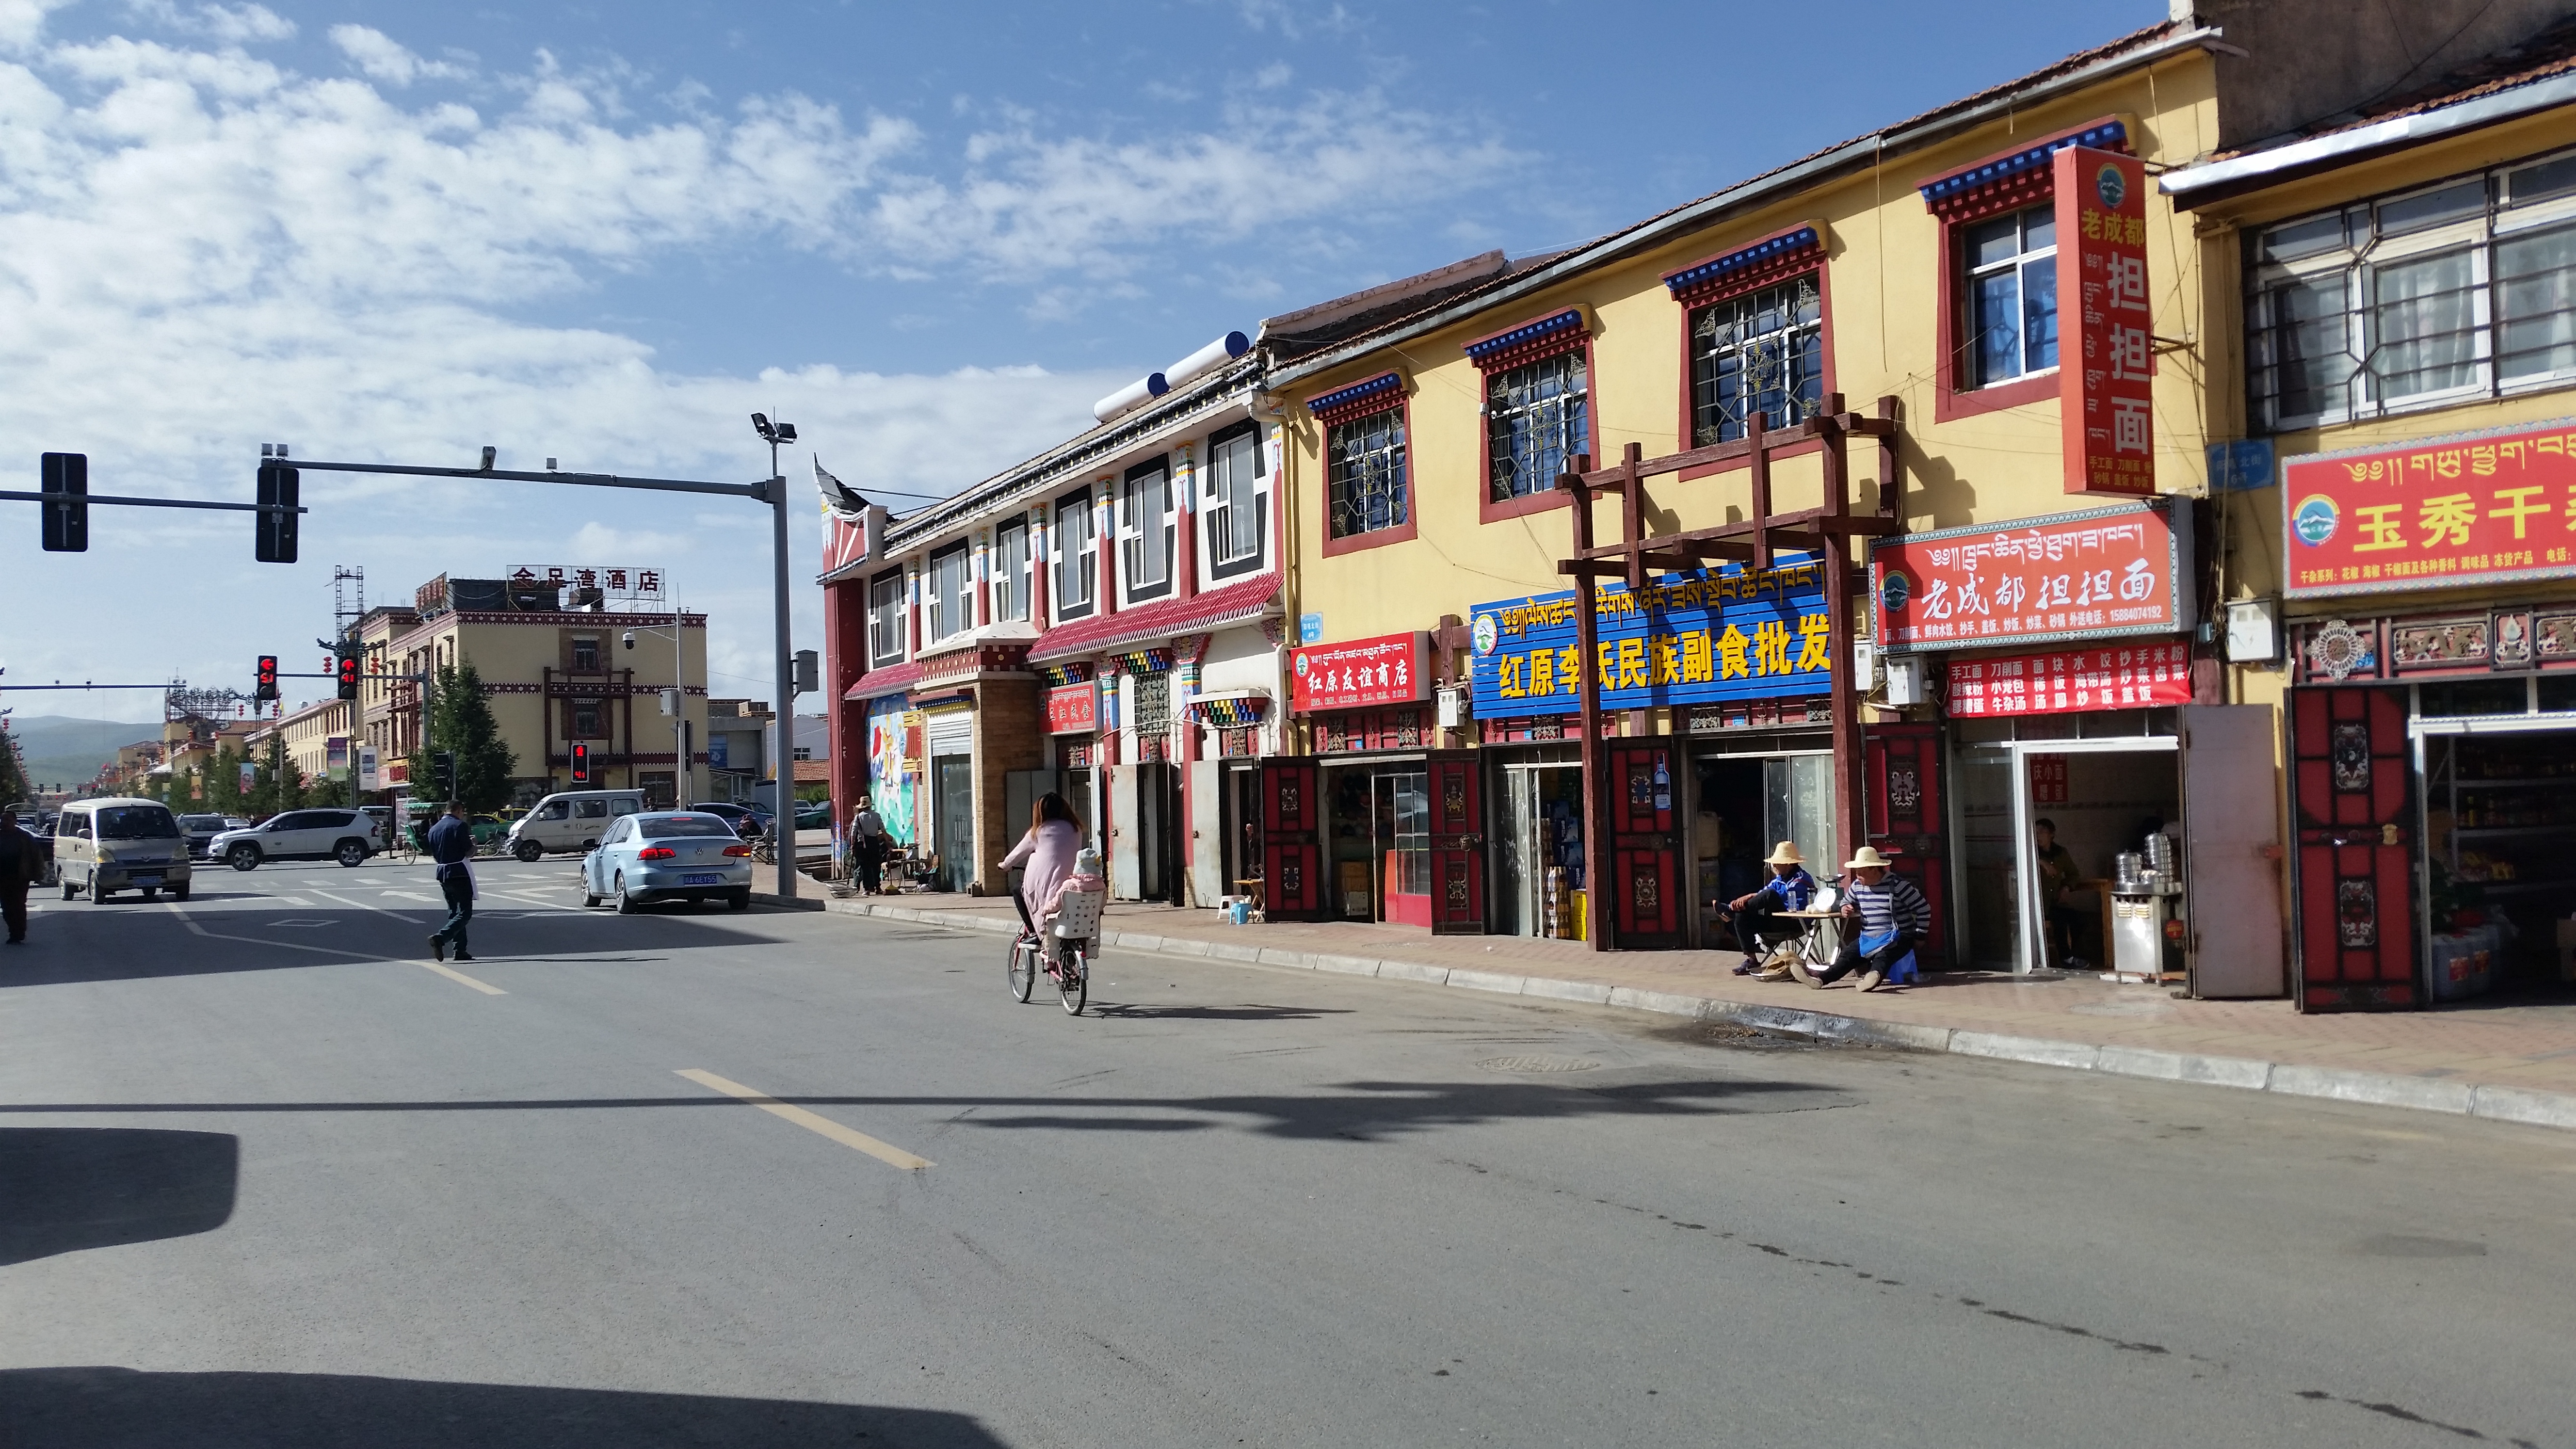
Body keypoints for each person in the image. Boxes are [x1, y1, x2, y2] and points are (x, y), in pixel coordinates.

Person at [1801, 846, 1931, 993]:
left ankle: (1873, 977)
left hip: (1899, 936)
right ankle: (1821, 978)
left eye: (1861, 873)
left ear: (1874, 870)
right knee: (1848, 955)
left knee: (1884, 956)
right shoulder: (1857, 886)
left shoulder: (1898, 886)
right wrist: (1846, 907)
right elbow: (1846, 901)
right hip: (1869, 937)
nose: (1858, 876)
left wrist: (1920, 936)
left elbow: (1923, 908)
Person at [1723, 840, 1816, 975]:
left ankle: (1730, 911)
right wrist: (1749, 899)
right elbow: (1762, 894)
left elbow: (1777, 895)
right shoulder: (1779, 879)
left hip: (1795, 922)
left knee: (1770, 895)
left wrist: (1750, 897)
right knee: (1741, 915)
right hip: (1775, 921)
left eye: (1778, 863)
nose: (1774, 866)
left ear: (1788, 864)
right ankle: (1752, 959)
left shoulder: (1802, 879)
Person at [998, 792, 1082, 932]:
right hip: (1071, 884)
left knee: (1017, 890)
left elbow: (1016, 855)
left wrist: (1004, 866)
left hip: (1048, 886)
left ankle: (1033, 932)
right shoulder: (1076, 830)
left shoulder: (1038, 832)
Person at [2032, 817, 2091, 969]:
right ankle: (2066, 958)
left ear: (2052, 835)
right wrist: (2041, 862)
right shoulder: (2030, 853)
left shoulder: (2061, 853)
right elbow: (2012, 862)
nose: (2038, 836)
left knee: (2078, 918)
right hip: (2038, 904)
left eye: (2042, 832)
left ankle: (2077, 956)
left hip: (2055, 902)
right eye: (2036, 832)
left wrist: (2066, 887)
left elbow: (2073, 874)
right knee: (2060, 921)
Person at [425, 800, 478, 963]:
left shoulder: (434, 829)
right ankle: (441, 938)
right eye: (462, 812)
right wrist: (474, 844)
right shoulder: (459, 826)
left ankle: (460, 950)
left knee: (454, 911)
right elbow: (468, 852)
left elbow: (433, 854)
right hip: (459, 872)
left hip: (442, 872)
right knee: (465, 912)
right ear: (459, 811)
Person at [0, 806, 42, 947]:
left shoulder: (25, 838)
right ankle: (13, 930)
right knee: (6, 907)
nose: (4, 823)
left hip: (20, 878)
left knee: (18, 905)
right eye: (3, 820)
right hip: (3, 878)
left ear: (14, 821)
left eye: (8, 820)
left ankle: (18, 933)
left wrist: (37, 874)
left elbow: (36, 856)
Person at [848, 794, 889, 894]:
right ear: (870, 806)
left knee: (865, 867)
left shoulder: (858, 818)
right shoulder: (877, 816)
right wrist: (888, 842)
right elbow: (883, 830)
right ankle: (878, 887)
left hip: (863, 844)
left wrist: (853, 845)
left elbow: (853, 833)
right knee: (876, 865)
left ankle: (867, 888)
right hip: (874, 842)